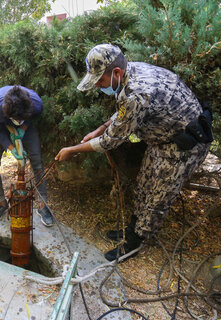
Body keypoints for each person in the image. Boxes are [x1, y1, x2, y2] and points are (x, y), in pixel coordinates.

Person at [55, 44, 212, 261]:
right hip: (162, 141)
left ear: (116, 73)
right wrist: (100, 128)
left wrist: (73, 150)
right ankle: (133, 229)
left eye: (100, 81)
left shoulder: (137, 92)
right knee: (143, 186)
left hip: (183, 147)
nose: (99, 86)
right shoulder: (130, 71)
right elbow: (123, 112)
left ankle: (135, 242)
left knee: (157, 198)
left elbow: (111, 141)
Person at [0, 85, 54, 227]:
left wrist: (22, 128)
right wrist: (11, 148)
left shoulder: (36, 104)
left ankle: (42, 206)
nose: (18, 122)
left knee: (37, 162)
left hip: (26, 127)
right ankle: (2, 203)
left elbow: (31, 118)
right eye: (16, 120)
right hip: (2, 127)